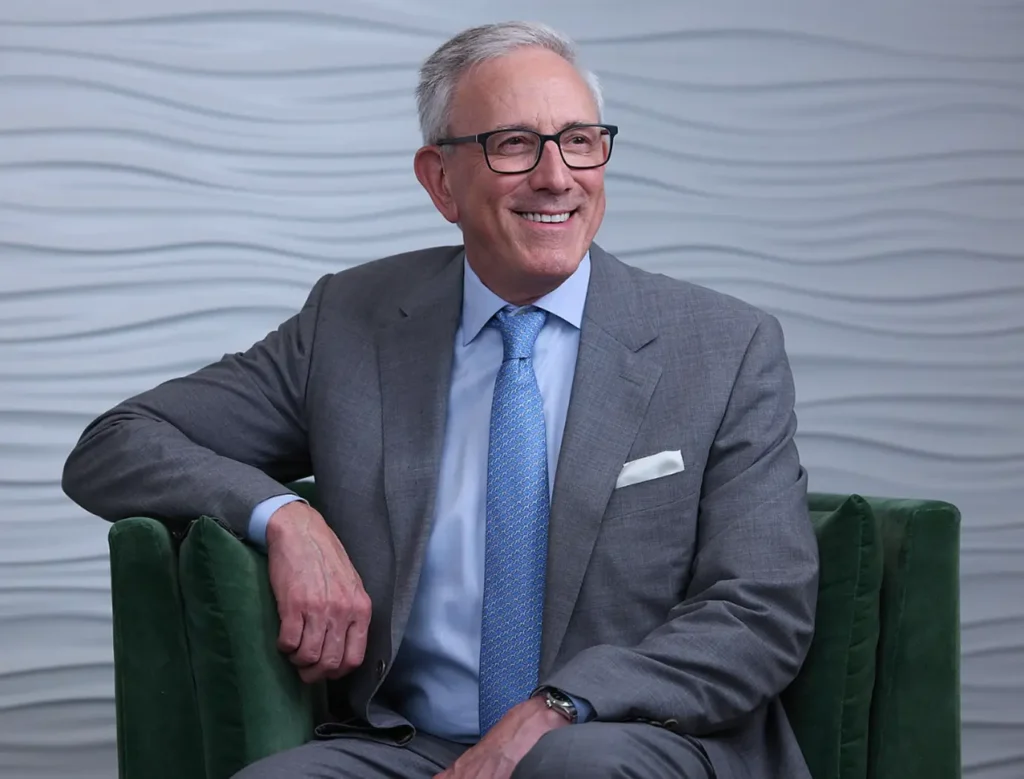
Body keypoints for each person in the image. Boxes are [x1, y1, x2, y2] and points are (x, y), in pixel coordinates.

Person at [62, 20, 819, 779]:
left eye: (580, 140)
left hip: (633, 735)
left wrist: (556, 708)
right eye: (514, 144)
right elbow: (117, 442)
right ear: (439, 180)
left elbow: (761, 608)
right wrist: (286, 516)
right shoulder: (351, 323)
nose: (557, 176)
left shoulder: (722, 346)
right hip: (411, 747)